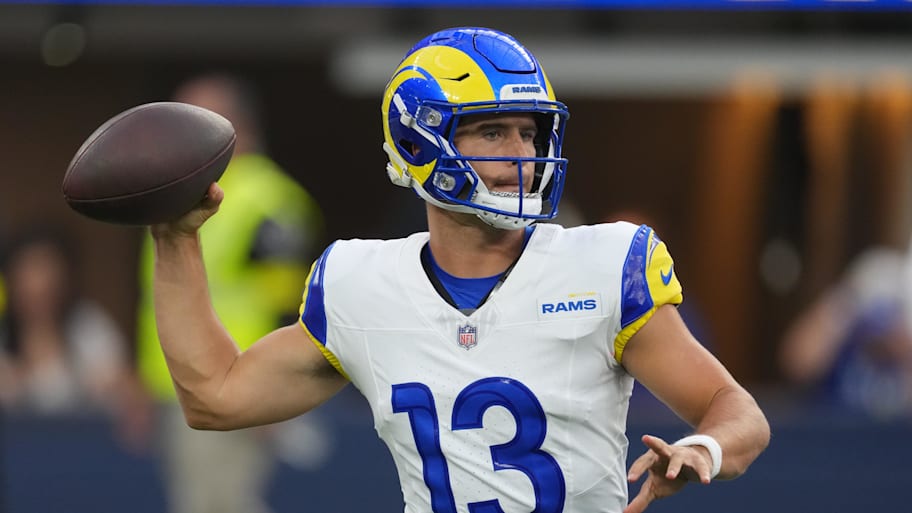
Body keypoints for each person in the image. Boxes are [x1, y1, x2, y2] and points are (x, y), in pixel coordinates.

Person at [147, 28, 769, 513]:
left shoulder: (603, 267)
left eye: (529, 133)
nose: (522, 154)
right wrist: (175, 240)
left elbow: (735, 410)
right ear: (418, 143)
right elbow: (214, 397)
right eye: (492, 133)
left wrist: (704, 447)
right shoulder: (361, 284)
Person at [134, 73, 325, 513]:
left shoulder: (269, 197)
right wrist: (144, 384)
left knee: (222, 504)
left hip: (236, 384)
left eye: (193, 119)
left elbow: (290, 305)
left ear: (235, 127)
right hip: (177, 388)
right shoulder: (179, 194)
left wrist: (275, 395)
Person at [0, 227, 129, 415]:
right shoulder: (3, 337)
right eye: (28, 275)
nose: (38, 288)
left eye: (47, 274)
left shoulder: (89, 329)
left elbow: (127, 392)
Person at [779, 246, 912, 420]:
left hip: (893, 433)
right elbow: (797, 363)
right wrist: (848, 303)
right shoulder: (873, 286)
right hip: (835, 426)